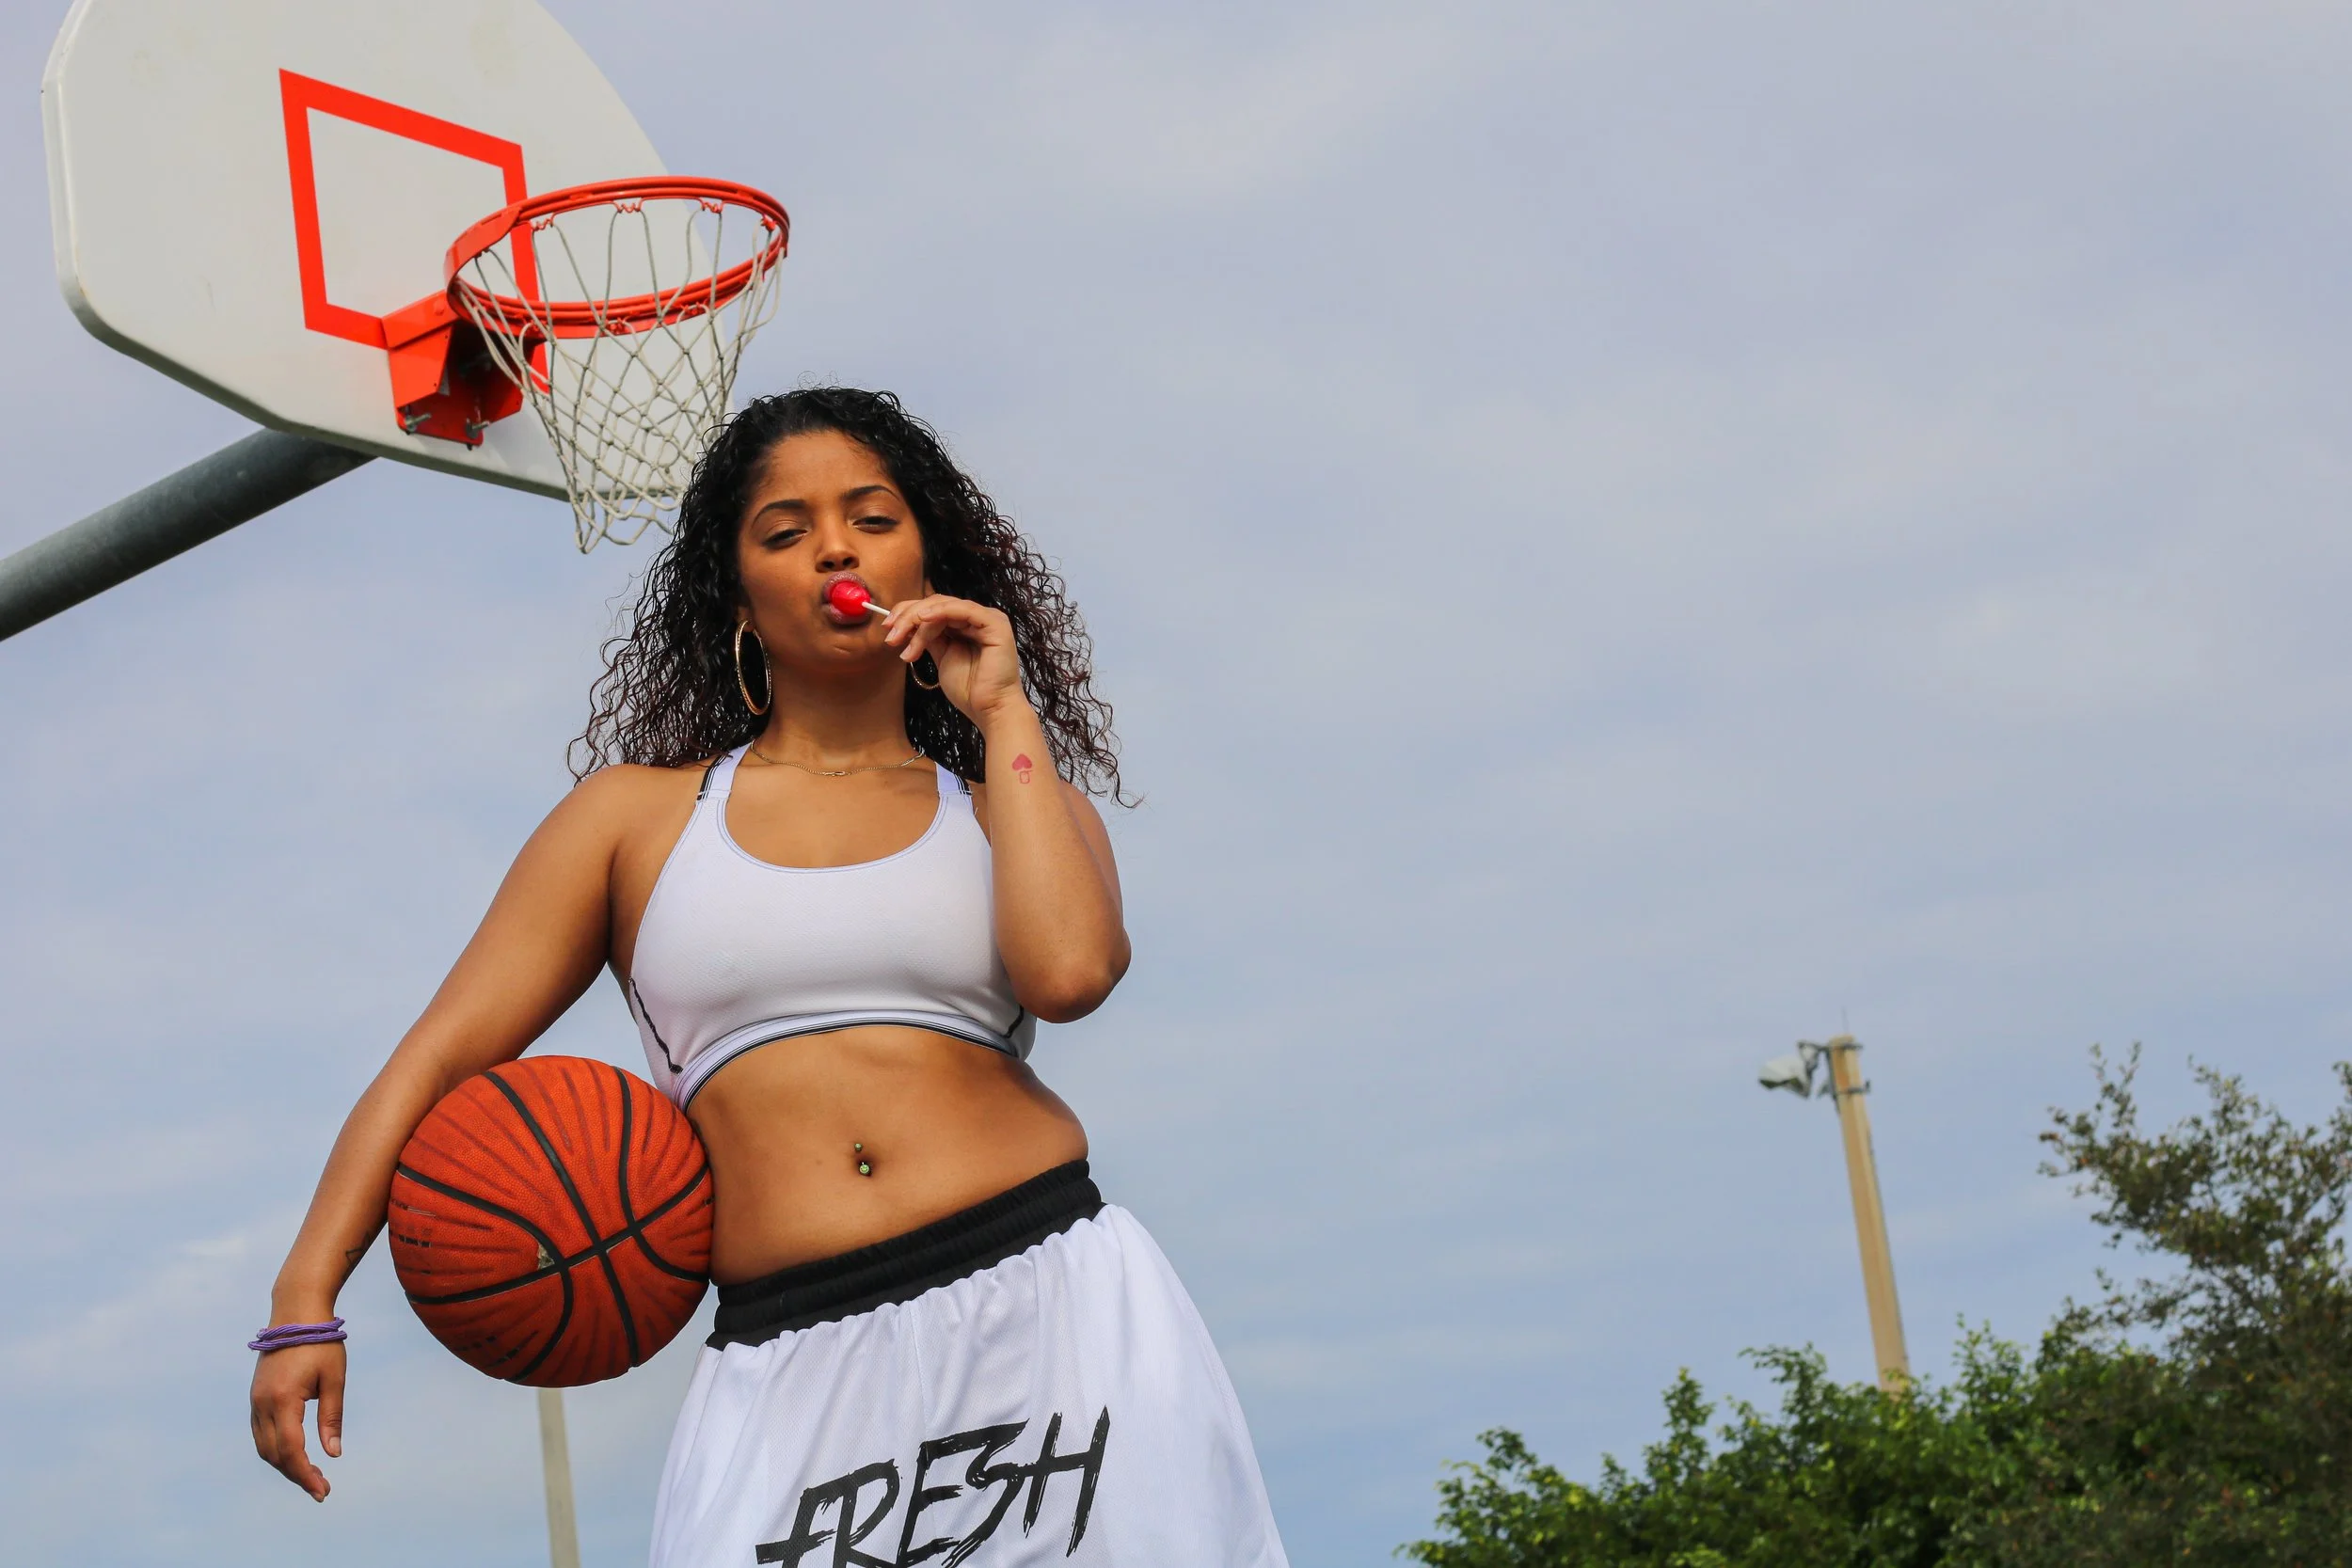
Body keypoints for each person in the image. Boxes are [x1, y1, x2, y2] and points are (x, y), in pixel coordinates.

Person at [246, 388, 1288, 1564]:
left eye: (871, 518)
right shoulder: (635, 821)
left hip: (1053, 1298)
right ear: (738, 600)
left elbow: (1071, 970)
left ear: (928, 557)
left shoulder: (1012, 801)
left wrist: (1002, 709)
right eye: (785, 532)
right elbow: (440, 1056)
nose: (834, 546)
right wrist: (305, 1296)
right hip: (791, 1351)